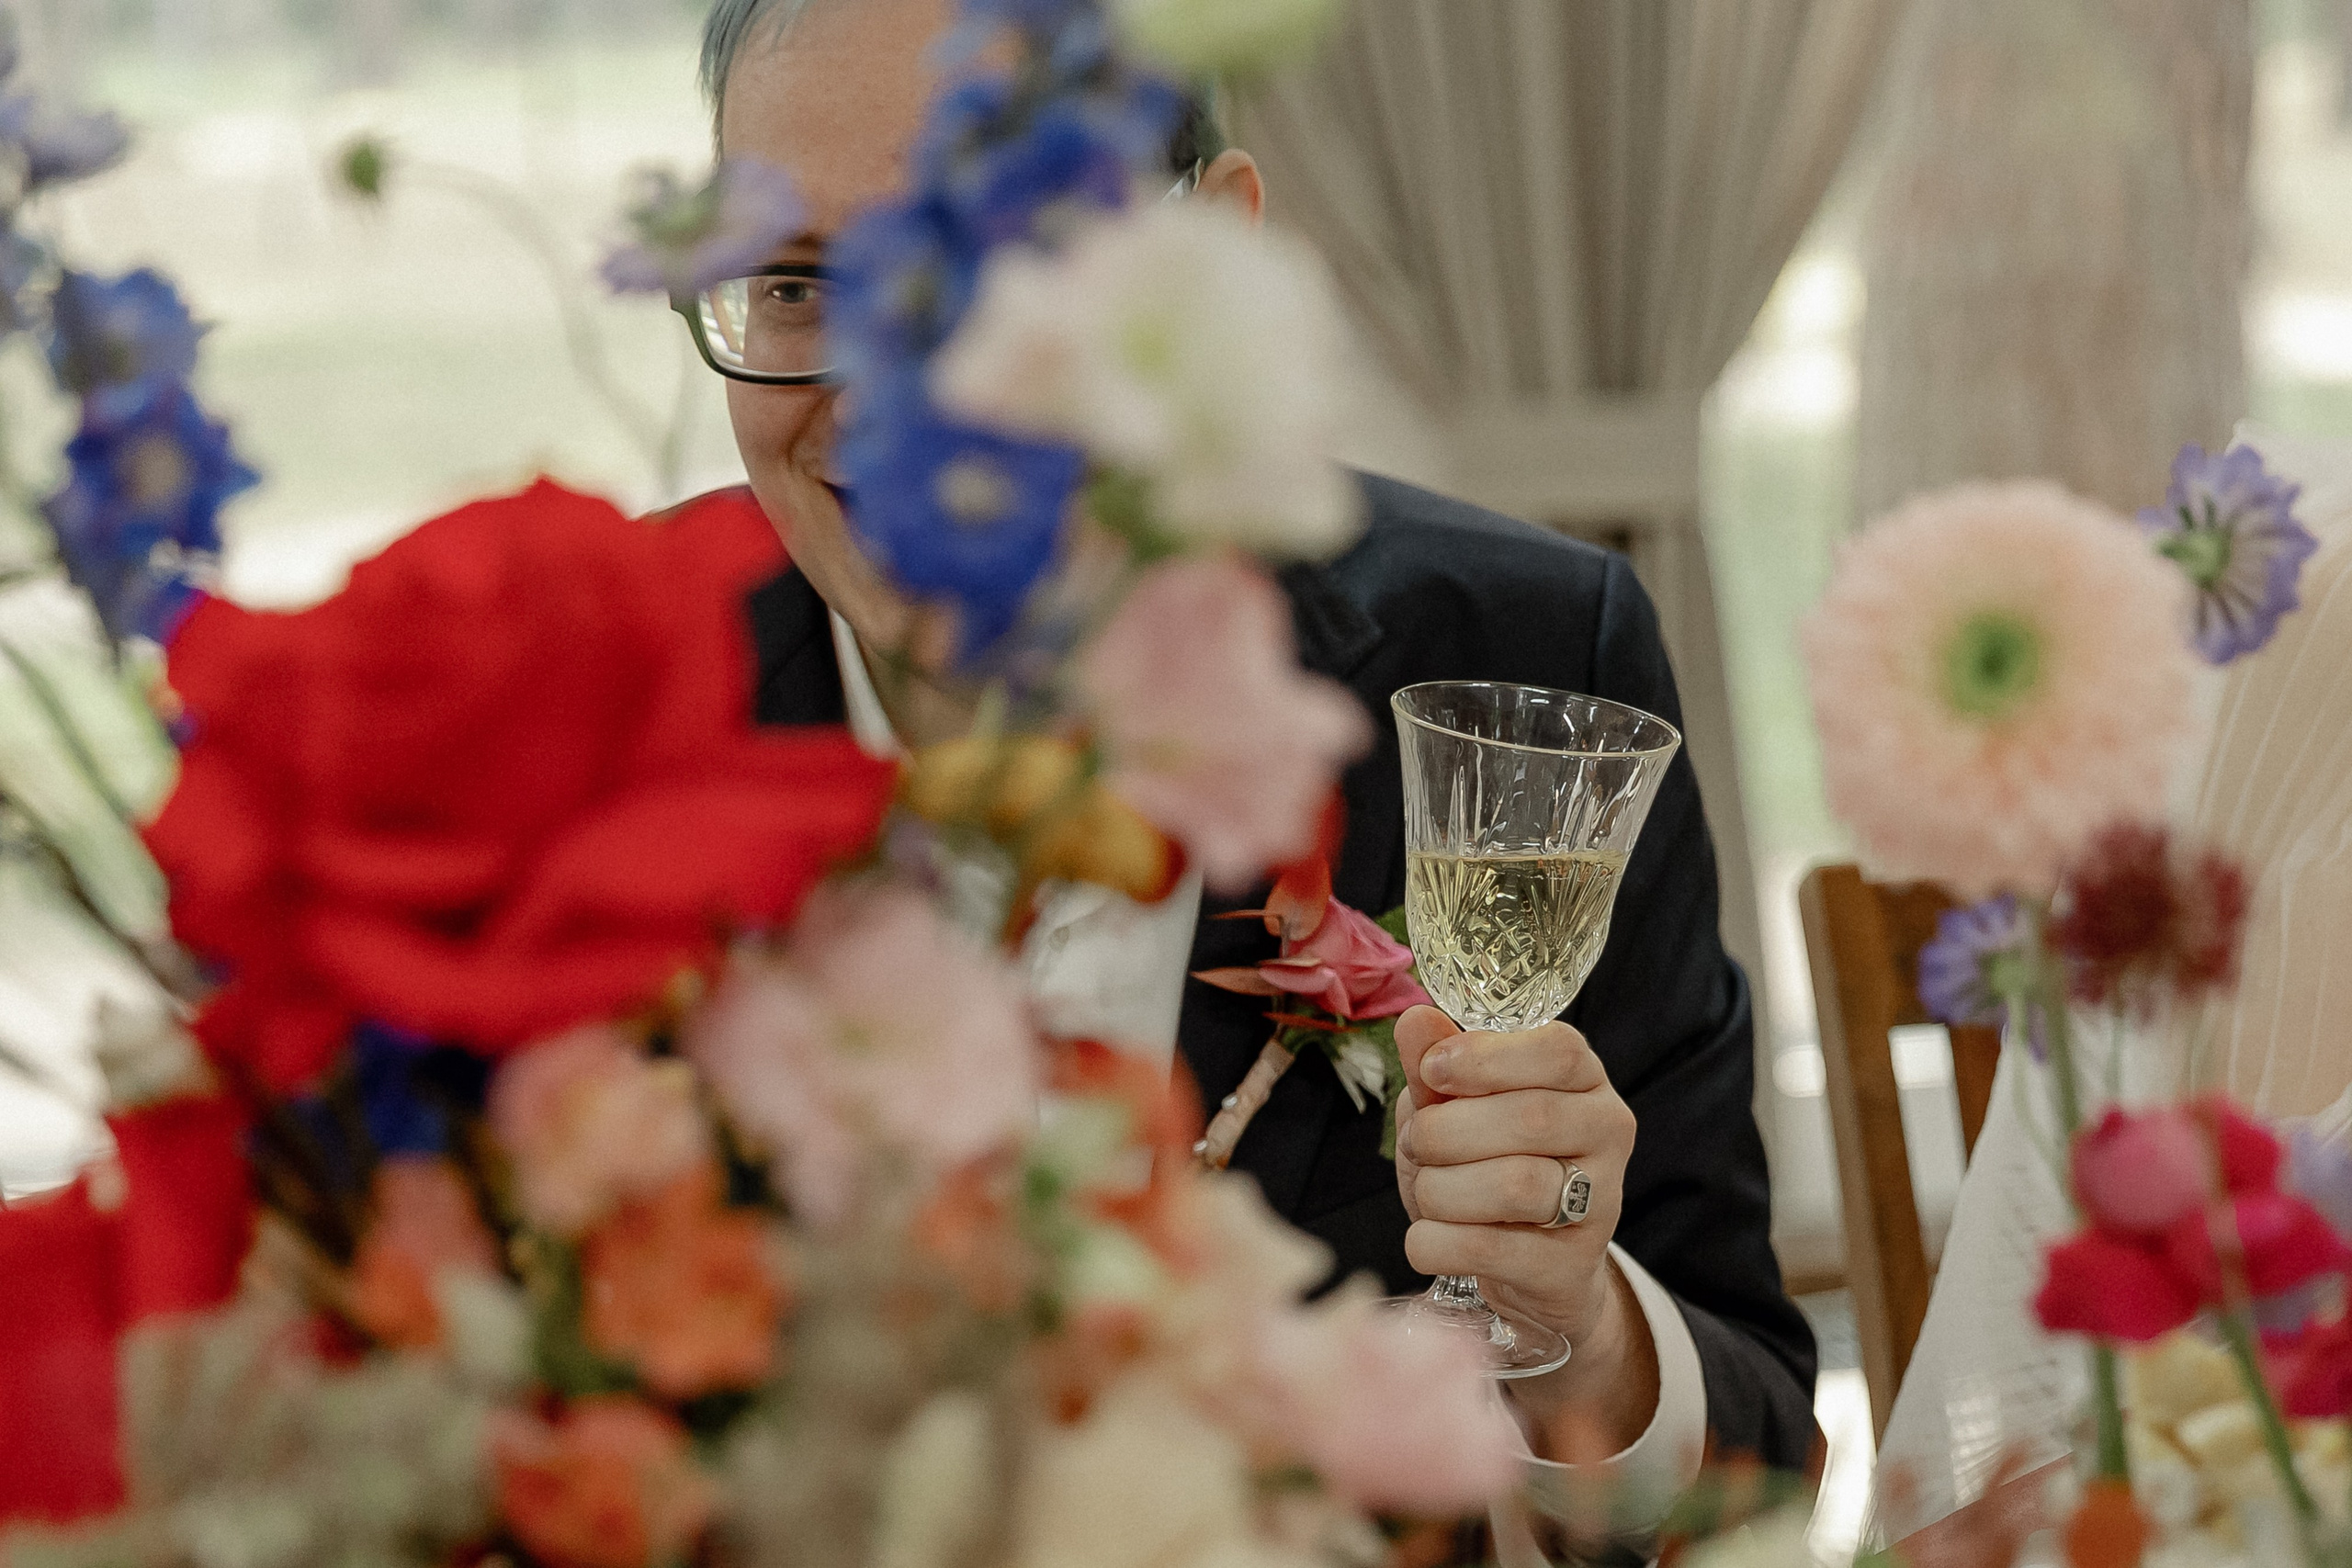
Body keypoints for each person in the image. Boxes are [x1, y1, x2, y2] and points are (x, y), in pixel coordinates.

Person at [692, 0, 1816, 1538]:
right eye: (802, 283)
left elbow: (1753, 1460)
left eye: (1000, 267)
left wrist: (1586, 1326)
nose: (896, 397)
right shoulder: (580, 704)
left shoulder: (1517, 659)